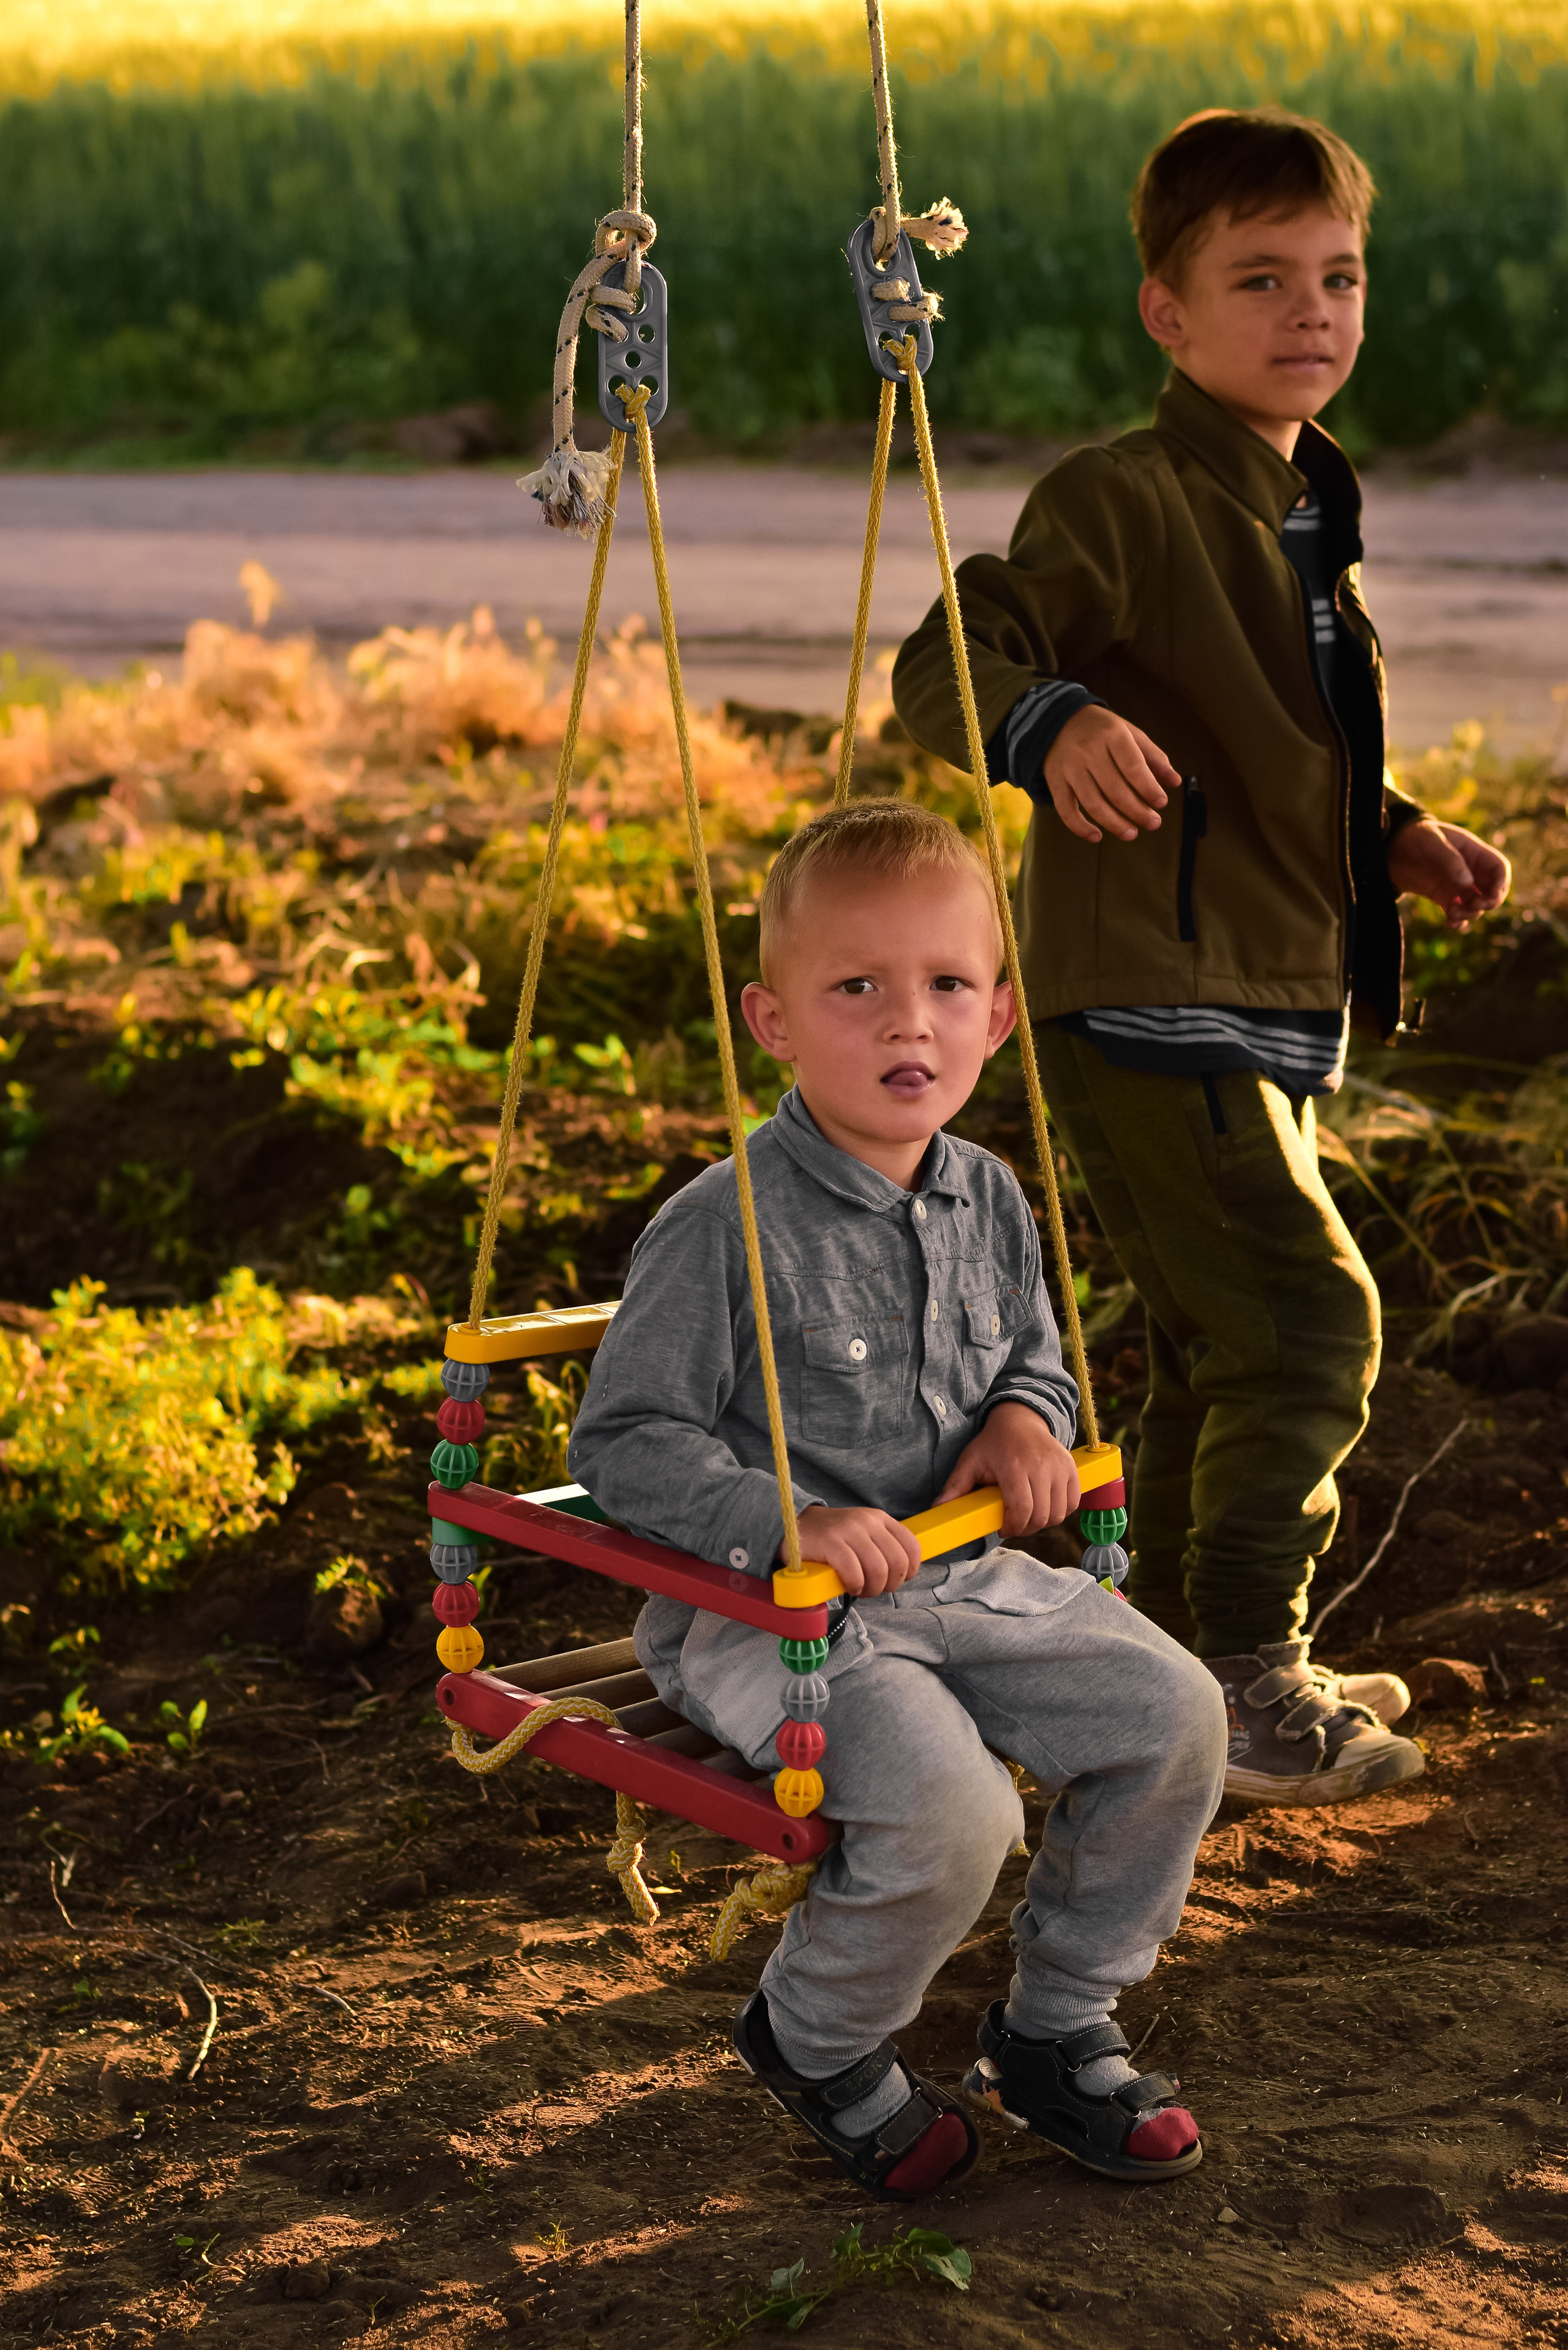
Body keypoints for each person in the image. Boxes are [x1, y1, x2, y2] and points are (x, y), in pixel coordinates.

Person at [892, 106, 1511, 1806]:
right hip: (1156, 993)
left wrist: (1389, 828)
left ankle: (1154, 1665)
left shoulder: (1298, 502)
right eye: (1261, 280)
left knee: (1214, 1343)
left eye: (1339, 276)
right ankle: (1243, 1669)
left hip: (1256, 984)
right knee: (1313, 1326)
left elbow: (1270, 742)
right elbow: (959, 646)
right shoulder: (1133, 495)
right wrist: (1047, 717)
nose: (1310, 312)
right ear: (1169, 314)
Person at [568, 799, 1227, 2202]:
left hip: (966, 1582)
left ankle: (1052, 2024)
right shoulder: (722, 1223)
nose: (903, 1025)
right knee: (955, 1816)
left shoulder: (988, 1193)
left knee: (1176, 1716)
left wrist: (1020, 1424)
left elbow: (1033, 1364)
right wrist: (779, 1517)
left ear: (995, 1017)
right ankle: (813, 2034)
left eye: (942, 985)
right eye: (855, 988)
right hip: (774, 1617)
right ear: (774, 1021)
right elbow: (623, 1437)